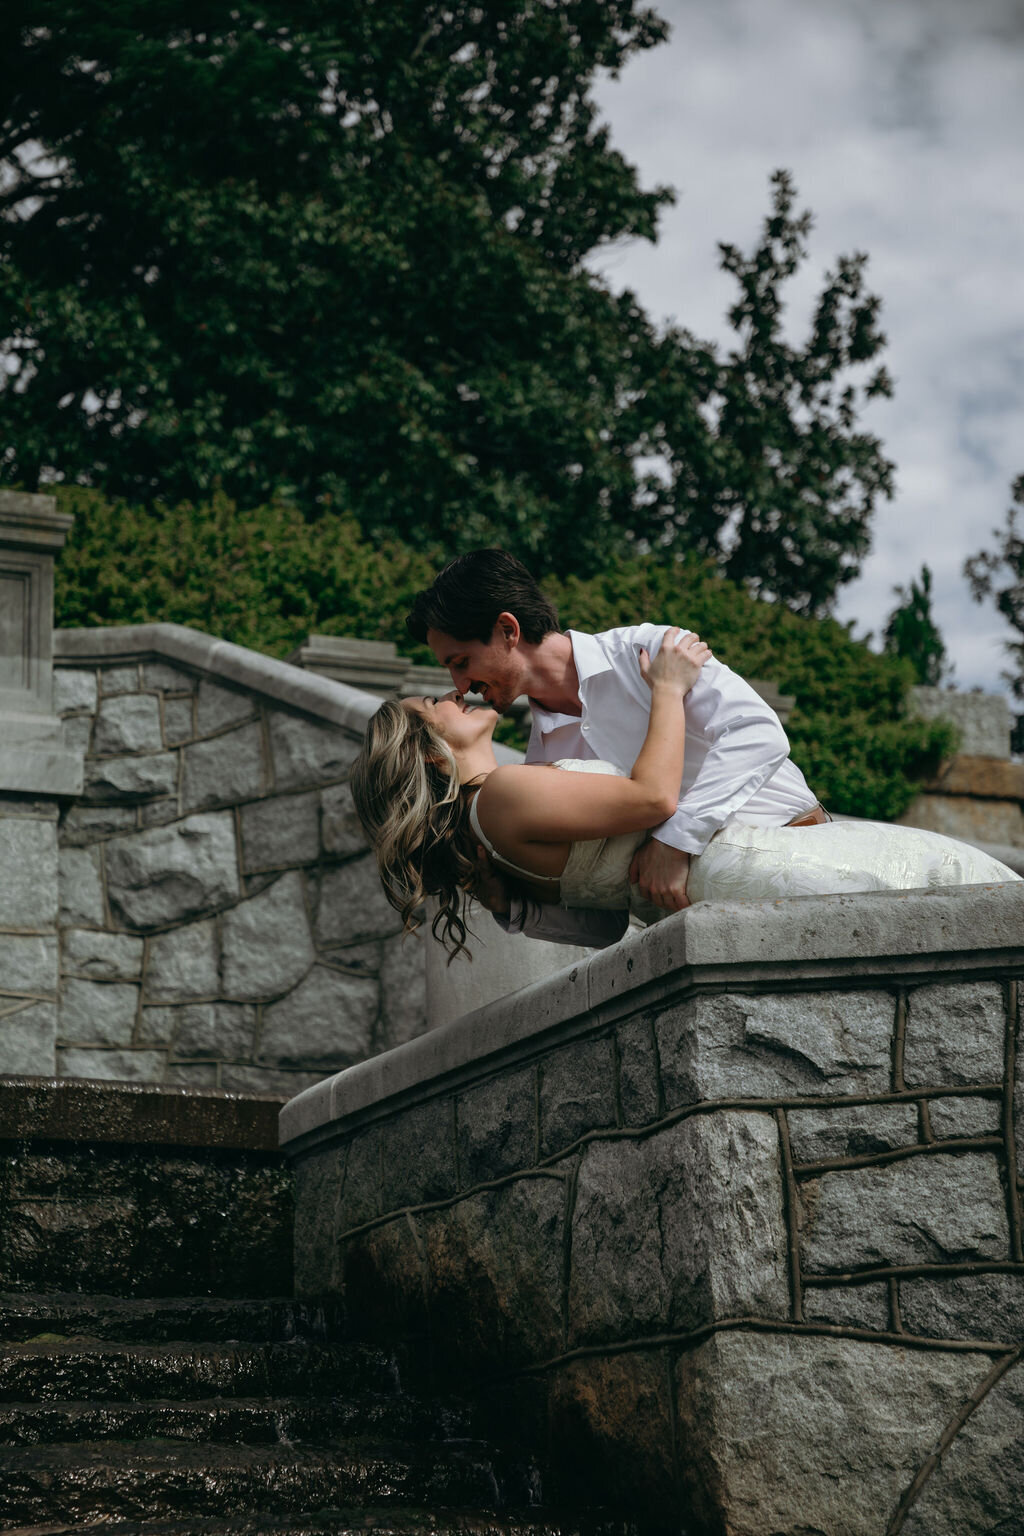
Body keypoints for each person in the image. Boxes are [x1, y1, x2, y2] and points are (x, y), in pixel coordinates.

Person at [351, 628, 711, 958]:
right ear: (429, 753)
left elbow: (614, 924)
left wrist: (513, 908)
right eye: (433, 703)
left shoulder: (488, 829)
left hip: (697, 903)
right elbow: (655, 797)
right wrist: (667, 688)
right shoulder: (502, 794)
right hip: (717, 868)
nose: (454, 691)